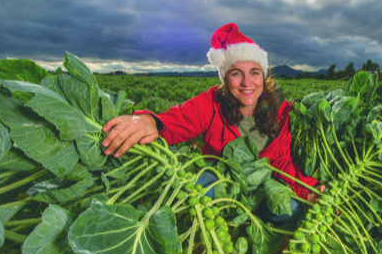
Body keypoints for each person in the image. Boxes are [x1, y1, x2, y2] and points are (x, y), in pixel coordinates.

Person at [101, 23, 324, 222]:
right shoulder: (212, 103)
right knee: (201, 186)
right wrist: (151, 122)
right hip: (222, 185)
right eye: (237, 73)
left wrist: (309, 190)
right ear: (226, 78)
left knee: (290, 209)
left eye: (254, 73)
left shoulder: (283, 113)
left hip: (262, 188)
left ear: (263, 77)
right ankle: (227, 219)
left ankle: (252, 221)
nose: (247, 82)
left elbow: (284, 164)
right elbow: (181, 118)